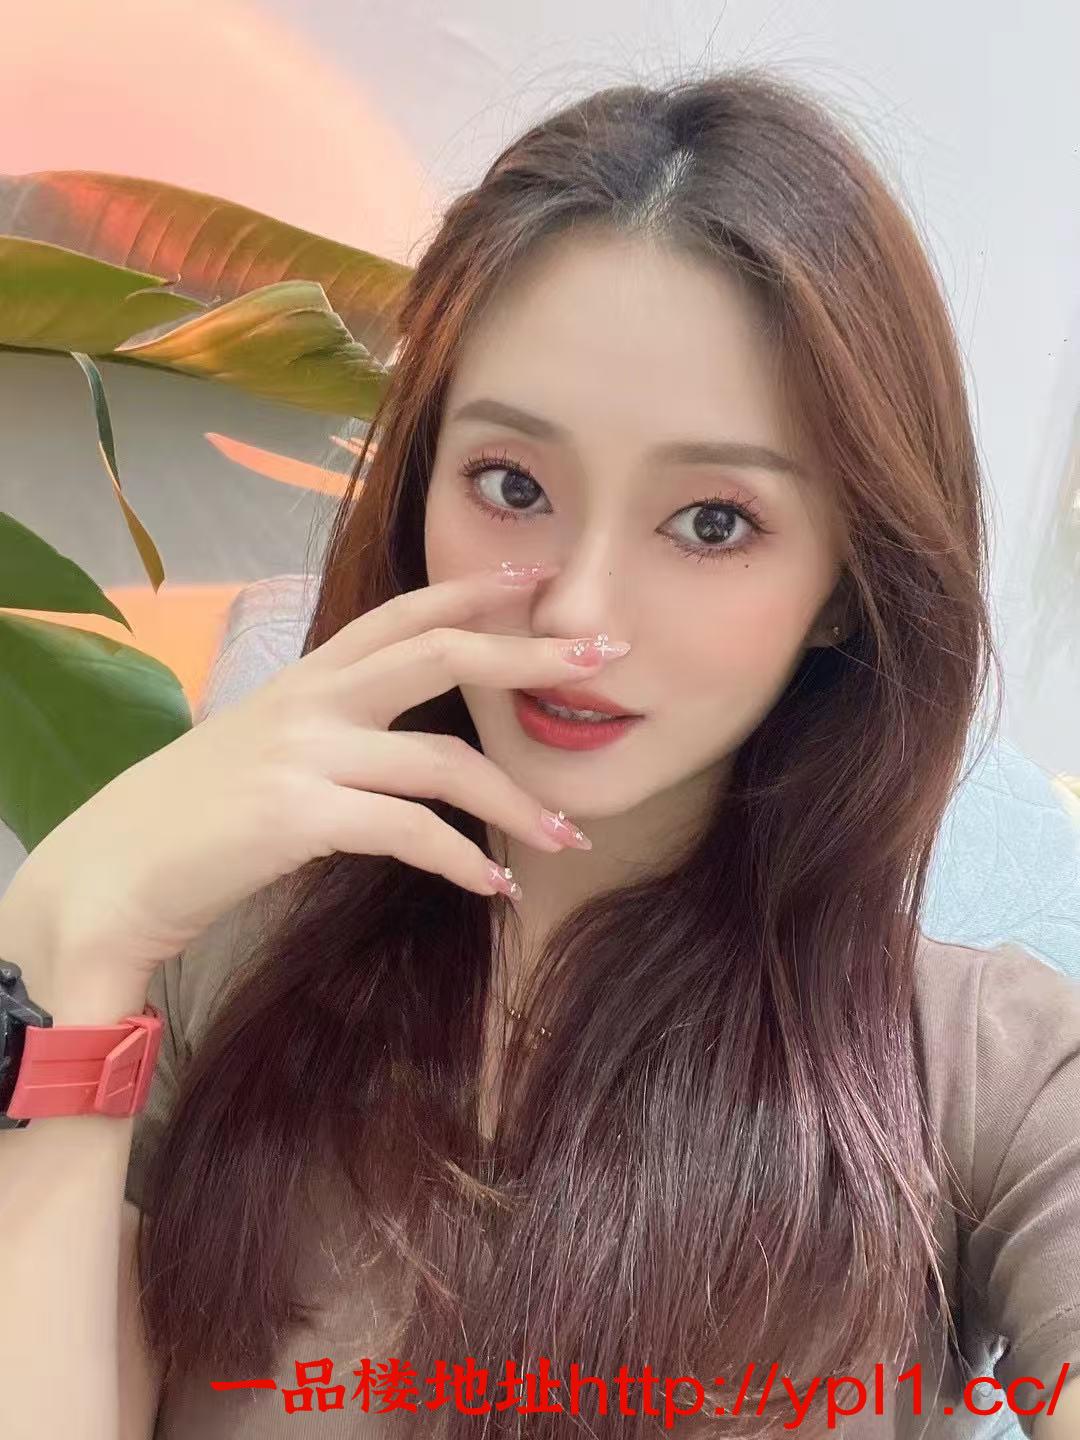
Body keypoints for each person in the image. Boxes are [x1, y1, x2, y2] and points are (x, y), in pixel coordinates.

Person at [1, 65, 1078, 1440]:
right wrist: (68, 928)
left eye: (711, 523)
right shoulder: (220, 972)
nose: (578, 613)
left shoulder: (984, 1073)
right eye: (512, 486)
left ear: (844, 584)